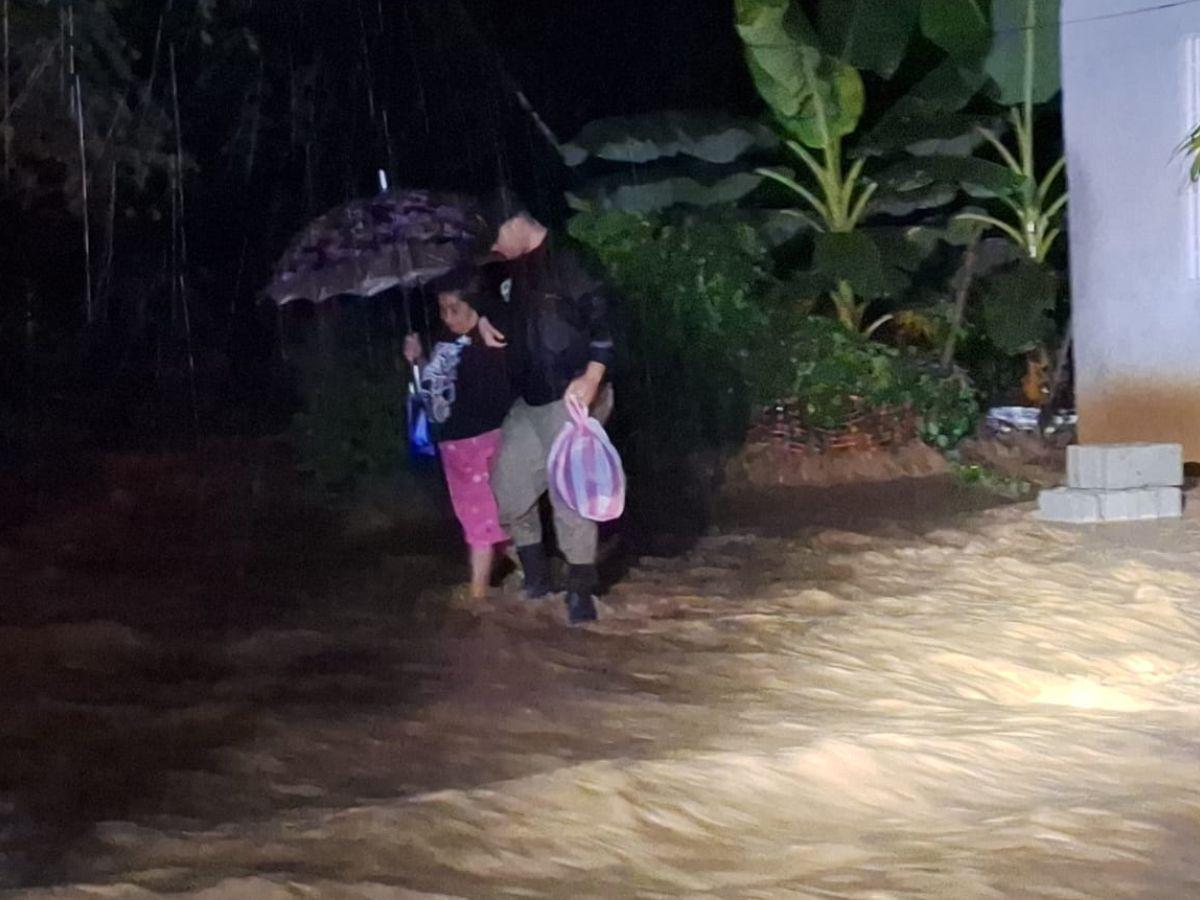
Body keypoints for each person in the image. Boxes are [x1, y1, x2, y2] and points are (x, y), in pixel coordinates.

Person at [475, 208, 617, 625]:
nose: (493, 249)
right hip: (530, 402)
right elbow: (492, 305)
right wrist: (483, 318)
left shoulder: (570, 258)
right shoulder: (511, 270)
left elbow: (607, 320)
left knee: (569, 497)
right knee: (507, 486)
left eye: (496, 236)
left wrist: (593, 376)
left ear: (518, 221)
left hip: (573, 396)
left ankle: (580, 594)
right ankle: (537, 580)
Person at [404, 268, 512, 600]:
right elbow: (432, 391)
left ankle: (477, 602)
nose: (447, 317)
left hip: (485, 443)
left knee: (482, 525)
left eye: (454, 308)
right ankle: (539, 578)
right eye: (442, 309)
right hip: (454, 450)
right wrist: (418, 359)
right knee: (494, 526)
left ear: (474, 305)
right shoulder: (445, 341)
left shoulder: (492, 336)